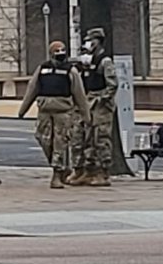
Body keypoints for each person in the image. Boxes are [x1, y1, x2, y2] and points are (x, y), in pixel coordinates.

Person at [17, 41, 91, 188]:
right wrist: (22, 110)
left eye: (62, 50)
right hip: (44, 111)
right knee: (43, 139)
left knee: (60, 143)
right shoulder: (43, 69)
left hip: (63, 112)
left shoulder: (70, 71)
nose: (60, 53)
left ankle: (57, 174)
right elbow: (32, 89)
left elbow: (79, 94)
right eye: (57, 51)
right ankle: (61, 166)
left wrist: (86, 115)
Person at [73, 26, 117, 187]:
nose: (89, 43)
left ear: (98, 41)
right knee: (86, 137)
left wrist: (102, 99)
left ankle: (103, 172)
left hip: (100, 105)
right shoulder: (88, 61)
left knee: (101, 138)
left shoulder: (105, 61)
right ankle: (88, 170)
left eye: (92, 40)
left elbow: (112, 85)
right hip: (88, 102)